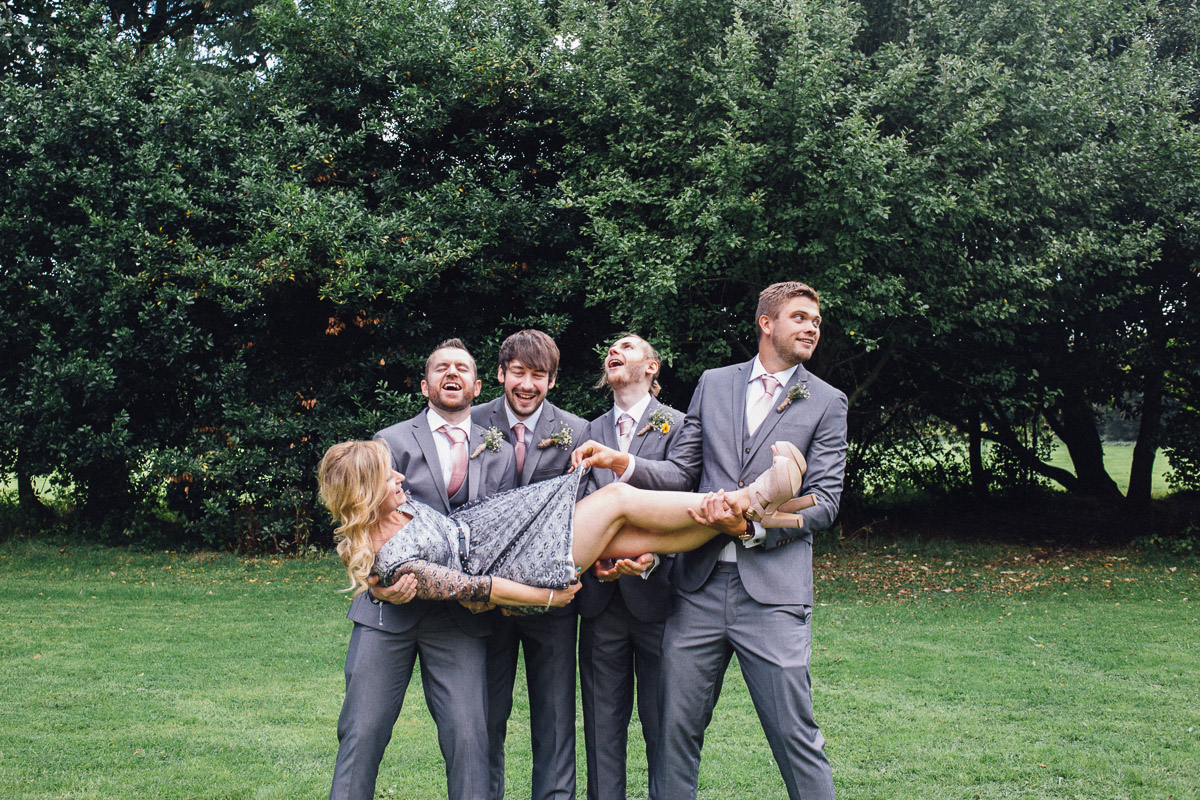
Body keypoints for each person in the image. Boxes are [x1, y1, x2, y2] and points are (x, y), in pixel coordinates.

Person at [572, 281, 847, 800]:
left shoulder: (828, 401)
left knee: (794, 736)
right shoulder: (715, 383)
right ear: (766, 323)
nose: (812, 326)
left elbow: (825, 503)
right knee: (673, 734)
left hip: (772, 596)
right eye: (800, 317)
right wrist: (623, 462)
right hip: (696, 590)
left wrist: (751, 527)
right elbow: (683, 475)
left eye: (815, 320)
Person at [316, 435, 807, 616]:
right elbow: (476, 588)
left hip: (501, 528)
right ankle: (752, 497)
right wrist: (548, 598)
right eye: (388, 477)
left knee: (630, 531)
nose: (401, 477)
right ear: (362, 495)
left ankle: (747, 513)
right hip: (511, 560)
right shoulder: (395, 562)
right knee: (616, 498)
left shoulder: (398, 510)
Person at [328, 338, 516, 800]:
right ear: (424, 384)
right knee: (362, 734)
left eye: (461, 368)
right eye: (441, 367)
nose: (451, 373)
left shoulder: (502, 448)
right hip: (387, 614)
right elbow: (354, 513)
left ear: (476, 385)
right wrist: (375, 583)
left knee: (470, 738)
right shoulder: (389, 441)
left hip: (459, 618)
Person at [471, 330, 588, 800]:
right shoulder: (473, 424)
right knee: (484, 717)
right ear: (500, 374)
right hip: (488, 598)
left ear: (552, 381)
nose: (526, 384)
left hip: (554, 601)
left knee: (556, 720)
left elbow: (586, 505)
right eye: (517, 372)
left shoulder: (578, 430)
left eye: (537, 375)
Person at [577, 334, 681, 800]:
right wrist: (598, 559)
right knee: (601, 731)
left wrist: (653, 555)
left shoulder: (678, 425)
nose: (613, 351)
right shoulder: (587, 429)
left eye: (628, 346)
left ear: (652, 367)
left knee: (666, 729)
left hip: (660, 598)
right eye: (611, 349)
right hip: (600, 603)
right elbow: (575, 506)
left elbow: (688, 493)